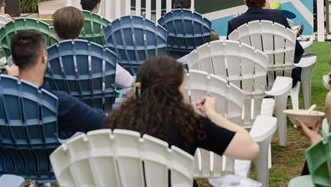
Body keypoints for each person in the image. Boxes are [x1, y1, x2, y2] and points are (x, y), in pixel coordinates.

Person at [106, 56, 259, 160]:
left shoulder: (117, 120)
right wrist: (212, 114)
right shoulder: (188, 123)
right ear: (176, 90)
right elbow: (250, 149)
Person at [9, 29, 107, 139]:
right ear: (44, 56)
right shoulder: (60, 102)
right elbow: (101, 122)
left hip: (6, 155)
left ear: (13, 60)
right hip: (55, 155)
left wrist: (9, 77)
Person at [227, 0, 305, 82]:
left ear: (245, 2)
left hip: (247, 81)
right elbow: (298, 50)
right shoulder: (278, 16)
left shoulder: (234, 23)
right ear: (265, 2)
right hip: (280, 79)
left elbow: (230, 55)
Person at [51, 5, 135, 89]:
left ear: (54, 30)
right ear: (81, 30)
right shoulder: (99, 57)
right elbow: (130, 83)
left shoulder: (45, 59)